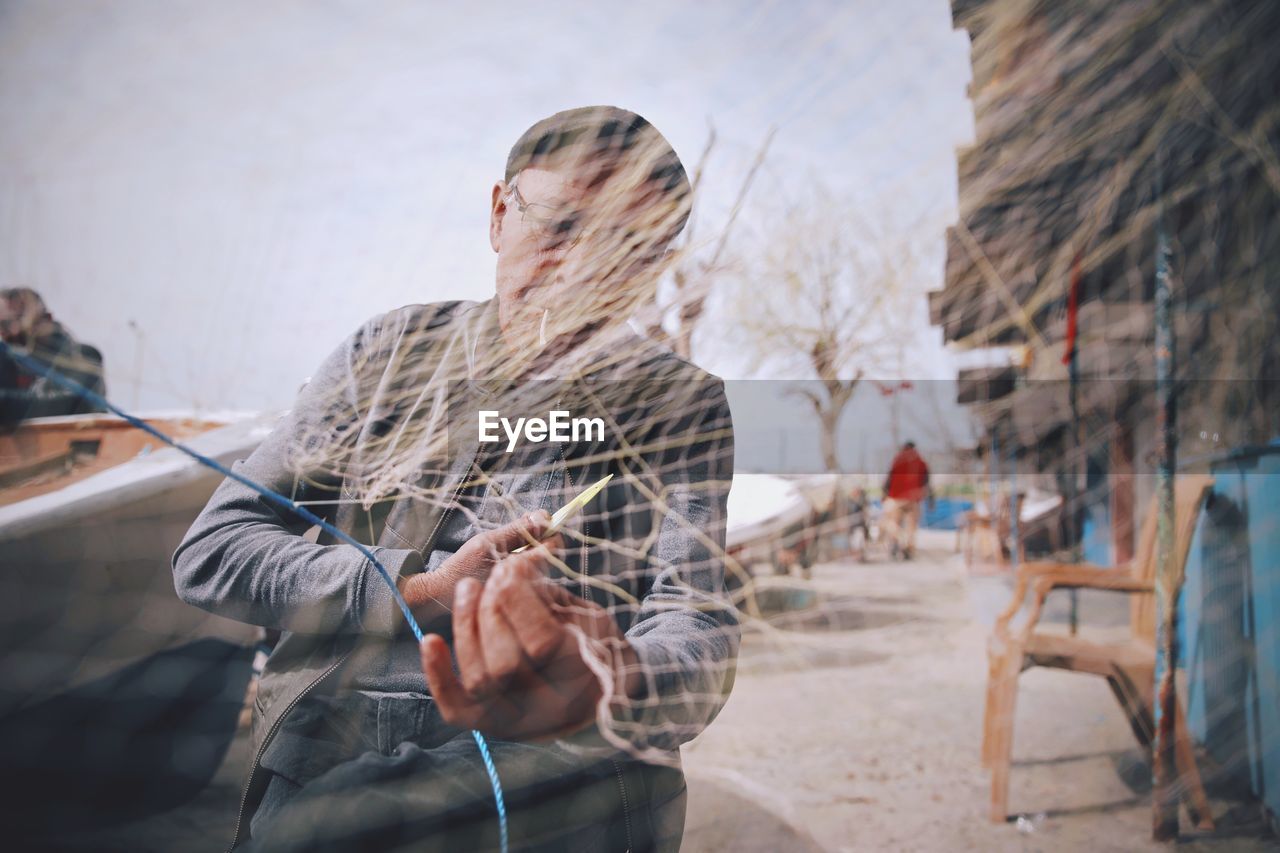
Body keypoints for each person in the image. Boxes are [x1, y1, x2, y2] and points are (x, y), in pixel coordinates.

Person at [173, 106, 737, 852]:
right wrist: (419, 587)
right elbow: (214, 549)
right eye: (558, 228)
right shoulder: (384, 356)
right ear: (500, 213)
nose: (578, 276)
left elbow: (697, 620)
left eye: (624, 251)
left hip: (570, 756)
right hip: (338, 730)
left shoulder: (680, 402)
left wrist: (617, 672)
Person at [0, 287, 107, 426]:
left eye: (6, 324)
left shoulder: (83, 356)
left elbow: (61, 404)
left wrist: (4, 401)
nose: (2, 333)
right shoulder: (11, 365)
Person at [880, 440, 930, 560]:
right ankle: (908, 547)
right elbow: (926, 481)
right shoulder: (921, 462)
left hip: (896, 498)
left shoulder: (898, 460)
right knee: (911, 527)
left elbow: (889, 478)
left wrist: (884, 494)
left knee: (892, 523)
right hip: (913, 499)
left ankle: (896, 543)